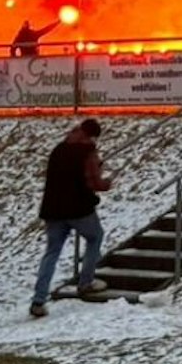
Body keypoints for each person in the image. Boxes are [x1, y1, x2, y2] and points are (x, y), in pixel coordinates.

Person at [30, 118, 114, 318]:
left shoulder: (59, 149)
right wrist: (108, 181)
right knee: (95, 237)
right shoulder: (88, 152)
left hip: (53, 210)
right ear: (92, 136)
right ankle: (86, 282)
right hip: (79, 209)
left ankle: (38, 300)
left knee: (51, 253)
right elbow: (95, 183)